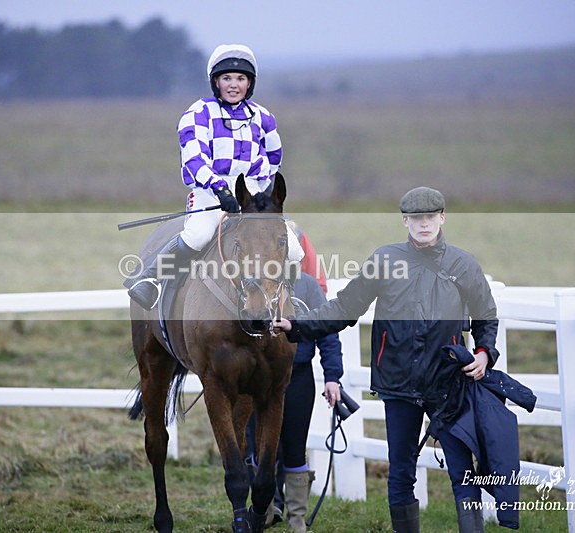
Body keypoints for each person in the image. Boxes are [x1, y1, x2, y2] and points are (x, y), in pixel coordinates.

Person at [273, 187, 500, 533]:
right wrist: (298, 326)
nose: (424, 224)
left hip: (449, 384)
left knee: (461, 470)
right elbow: (345, 307)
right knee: (402, 471)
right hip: (399, 383)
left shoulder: (463, 264)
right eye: (416, 218)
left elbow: (486, 317)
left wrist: (484, 353)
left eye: (430, 217)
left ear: (442, 218)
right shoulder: (385, 260)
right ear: (405, 221)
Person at [127, 43, 304, 310]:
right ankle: (150, 278)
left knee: (294, 249)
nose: (233, 85)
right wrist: (219, 188)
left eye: (240, 78)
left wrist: (263, 192)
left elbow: (274, 156)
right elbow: (194, 158)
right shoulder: (198, 113)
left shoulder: (264, 117)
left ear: (249, 83)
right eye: (227, 78)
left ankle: (288, 302)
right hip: (209, 192)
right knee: (198, 236)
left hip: (251, 195)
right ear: (216, 82)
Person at [245, 272, 343, 533]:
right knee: (261, 449)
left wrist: (332, 376)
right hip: (260, 378)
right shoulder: (251, 283)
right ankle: (264, 511)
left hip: (298, 376)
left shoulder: (307, 285)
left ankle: (296, 520)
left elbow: (327, 331)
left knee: (295, 449)